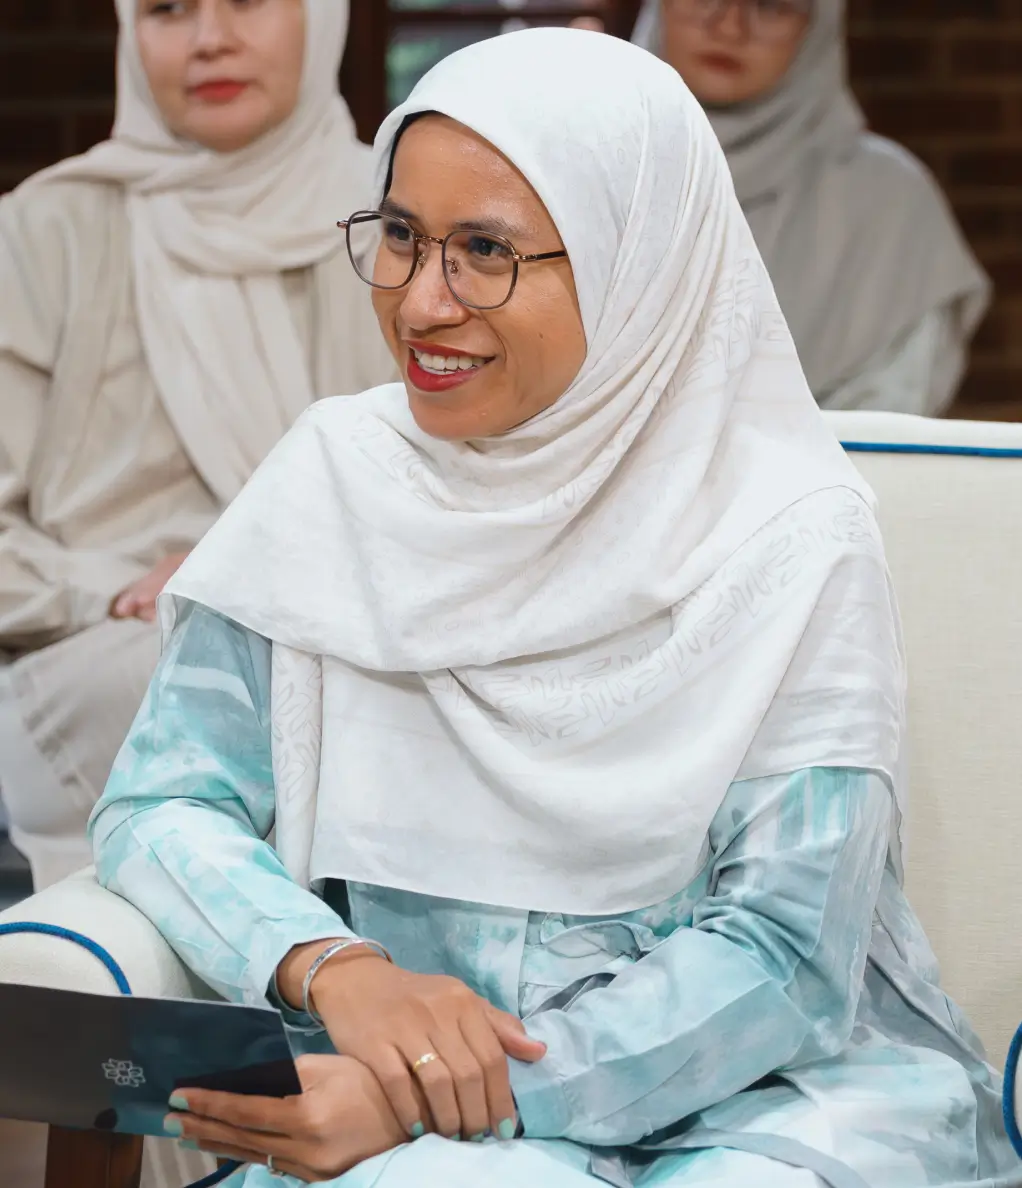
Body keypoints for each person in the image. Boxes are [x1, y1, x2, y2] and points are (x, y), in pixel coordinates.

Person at [90, 27, 1014, 1188]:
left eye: (484, 249)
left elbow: (782, 953)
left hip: (764, 1097)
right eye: (402, 238)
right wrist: (333, 967)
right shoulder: (333, 482)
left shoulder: (786, 532)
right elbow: (166, 801)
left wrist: (452, 1096)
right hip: (407, 1089)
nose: (423, 302)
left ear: (637, 261)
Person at [0, 0, 394, 890]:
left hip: (355, 625)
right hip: (114, 646)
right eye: (168, 9)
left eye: (248, 1)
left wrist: (248, 568)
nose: (210, 38)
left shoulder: (394, 223)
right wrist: (120, 591)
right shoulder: (49, 229)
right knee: (191, 676)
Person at [633, 0, 990, 415]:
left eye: (774, 7)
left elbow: (890, 424)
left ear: (819, 27)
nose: (730, 27)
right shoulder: (586, 168)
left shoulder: (891, 202)